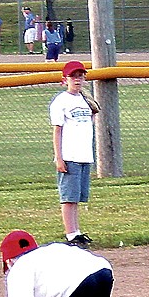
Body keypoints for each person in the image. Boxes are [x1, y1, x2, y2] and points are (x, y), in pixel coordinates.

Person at [49, 60, 97, 248]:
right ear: (64, 80)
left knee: (77, 196)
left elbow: (88, 123)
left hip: (84, 154)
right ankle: (70, 234)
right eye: (73, 76)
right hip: (69, 155)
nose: (77, 80)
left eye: (80, 76)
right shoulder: (61, 101)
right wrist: (59, 158)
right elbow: (57, 131)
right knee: (68, 197)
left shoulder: (84, 99)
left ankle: (76, 231)